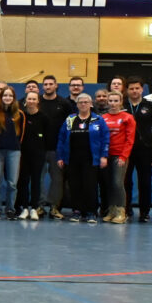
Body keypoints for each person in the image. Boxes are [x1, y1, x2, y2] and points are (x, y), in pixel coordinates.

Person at [57, 93, 109, 223]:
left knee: (90, 185)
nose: (83, 104)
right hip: (72, 159)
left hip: (91, 159)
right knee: (75, 185)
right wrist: (60, 157)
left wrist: (104, 156)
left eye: (86, 102)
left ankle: (91, 212)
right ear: (77, 105)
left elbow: (105, 138)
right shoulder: (70, 119)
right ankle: (77, 211)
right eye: (81, 102)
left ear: (91, 104)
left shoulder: (98, 120)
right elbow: (61, 139)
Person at [123, 76, 152, 223]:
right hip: (126, 149)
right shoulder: (122, 105)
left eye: (137, 88)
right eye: (131, 88)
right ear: (127, 90)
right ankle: (126, 209)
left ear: (142, 89)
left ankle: (145, 211)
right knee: (126, 181)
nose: (134, 91)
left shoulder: (150, 105)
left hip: (145, 149)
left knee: (144, 181)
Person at [38, 75, 73, 219]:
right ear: (43, 86)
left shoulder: (64, 103)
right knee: (38, 179)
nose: (48, 86)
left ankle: (54, 207)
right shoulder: (37, 101)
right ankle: (39, 206)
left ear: (56, 85)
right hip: (39, 148)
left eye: (50, 84)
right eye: (45, 84)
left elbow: (70, 126)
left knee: (57, 180)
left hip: (57, 148)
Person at [0, 86, 25, 220]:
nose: (7, 98)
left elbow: (21, 135)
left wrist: (15, 147)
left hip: (13, 151)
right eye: (5, 95)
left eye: (10, 95)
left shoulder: (20, 114)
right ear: (0, 97)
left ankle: (10, 209)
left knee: (12, 183)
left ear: (14, 98)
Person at [101, 92, 136, 224]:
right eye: (111, 101)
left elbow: (130, 139)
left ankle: (121, 211)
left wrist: (124, 156)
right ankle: (112, 210)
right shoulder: (103, 118)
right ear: (107, 102)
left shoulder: (128, 118)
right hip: (106, 155)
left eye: (116, 101)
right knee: (109, 184)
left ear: (121, 102)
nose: (113, 103)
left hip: (119, 156)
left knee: (117, 183)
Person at [16, 92, 47, 220]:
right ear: (25, 100)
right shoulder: (20, 116)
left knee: (36, 182)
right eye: (29, 98)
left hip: (38, 155)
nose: (32, 101)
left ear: (38, 101)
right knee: (23, 182)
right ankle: (24, 208)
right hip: (23, 155)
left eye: (34, 99)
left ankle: (34, 208)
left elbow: (48, 136)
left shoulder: (44, 117)